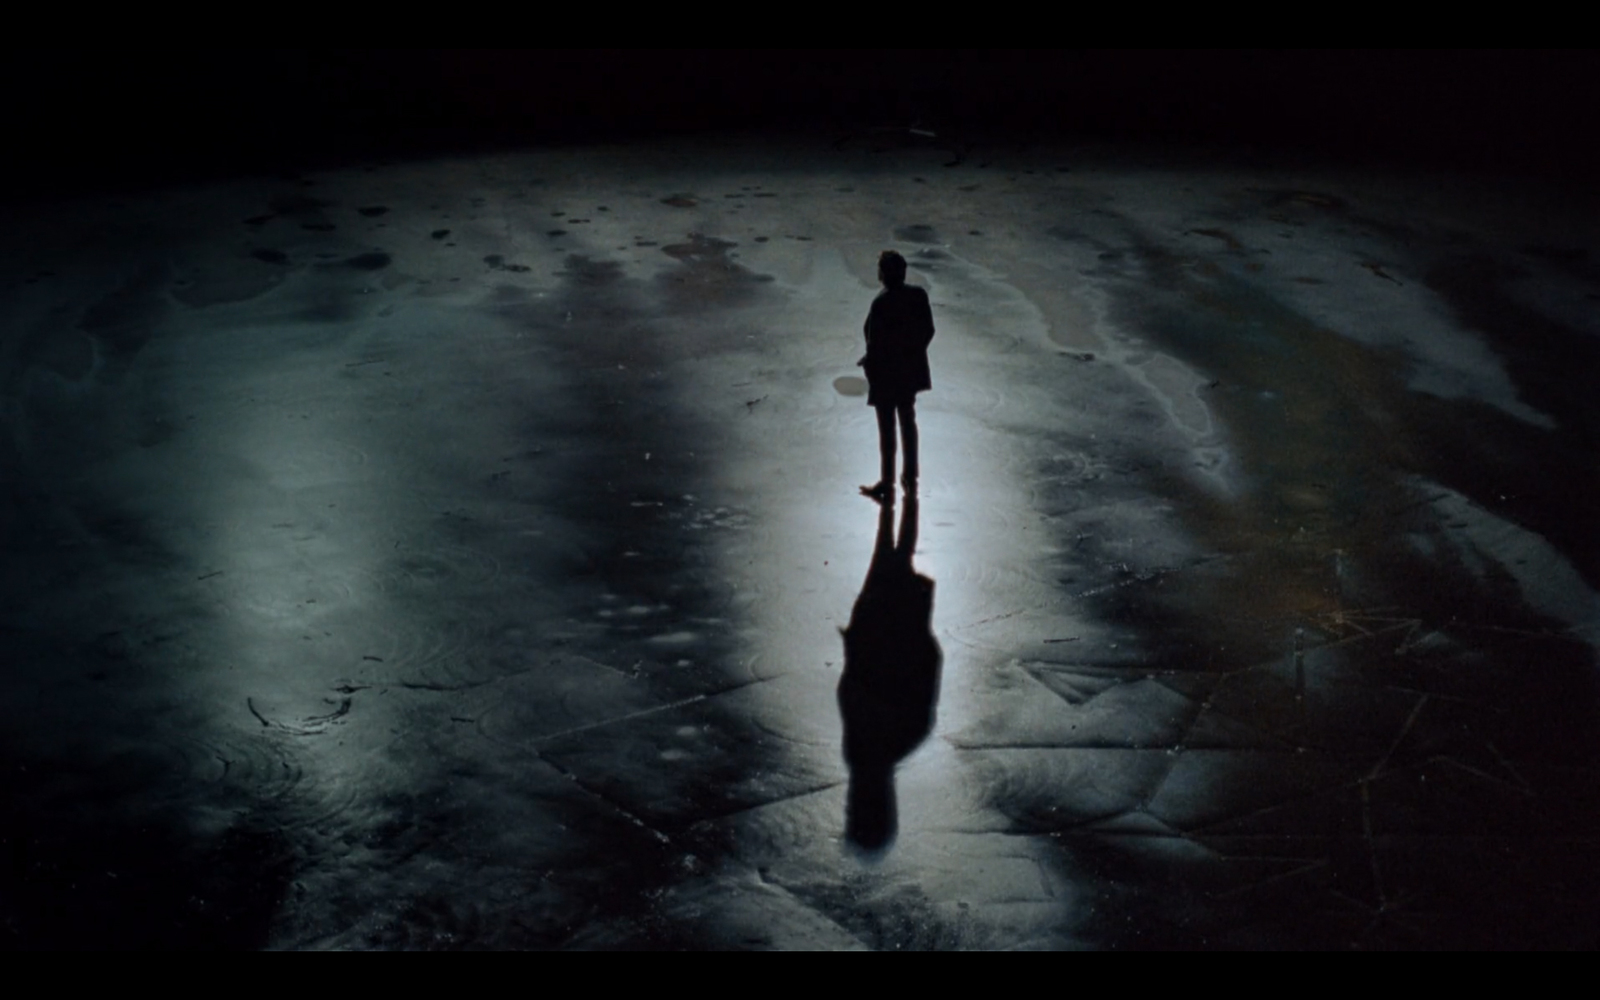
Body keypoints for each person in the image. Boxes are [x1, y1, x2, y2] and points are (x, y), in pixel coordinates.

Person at [858, 250, 934, 501]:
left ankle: (888, 480)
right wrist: (911, 354)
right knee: (908, 423)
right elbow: (928, 331)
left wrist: (871, 364)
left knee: (887, 429)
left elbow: (875, 344)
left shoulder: (880, 303)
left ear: (884, 274)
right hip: (909, 373)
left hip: (886, 376)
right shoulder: (918, 296)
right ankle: (910, 477)